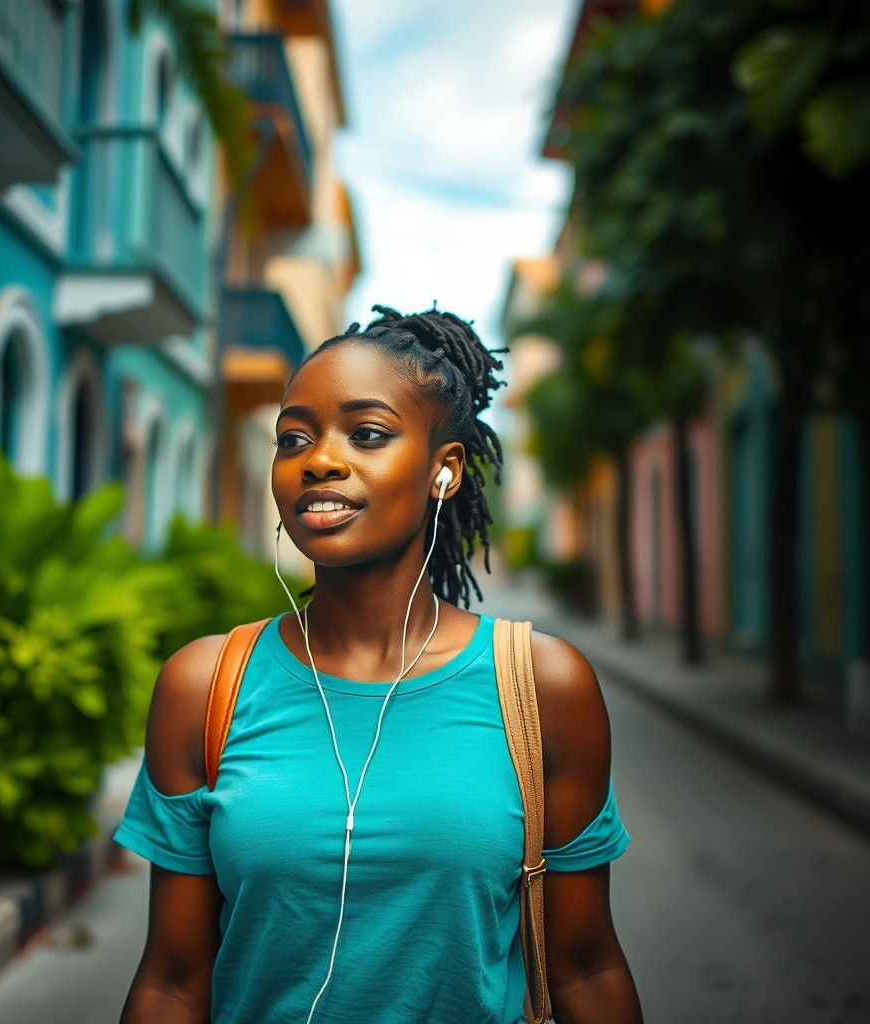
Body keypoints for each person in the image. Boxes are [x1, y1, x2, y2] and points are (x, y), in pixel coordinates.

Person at [116, 306, 644, 1024]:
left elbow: (587, 969)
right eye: (293, 438)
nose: (319, 460)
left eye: (366, 434)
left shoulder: (543, 687)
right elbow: (173, 981)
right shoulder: (204, 685)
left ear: (444, 471)